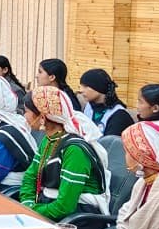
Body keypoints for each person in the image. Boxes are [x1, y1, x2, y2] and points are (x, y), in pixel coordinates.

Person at [20, 87, 108, 221]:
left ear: (42, 117)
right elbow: (31, 175)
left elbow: (64, 207)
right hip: (48, 208)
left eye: (26, 111)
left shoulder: (75, 150)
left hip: (76, 219)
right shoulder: (49, 139)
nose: (24, 117)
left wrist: (31, 211)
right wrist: (27, 204)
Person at [78, 68, 133, 137]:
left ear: (98, 87)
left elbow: (110, 142)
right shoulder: (89, 107)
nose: (81, 90)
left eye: (86, 86)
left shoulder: (119, 115)